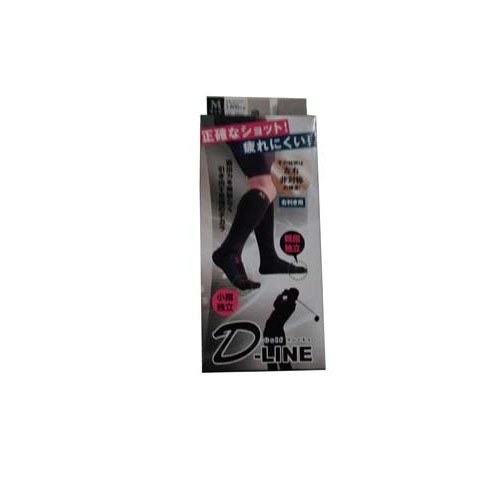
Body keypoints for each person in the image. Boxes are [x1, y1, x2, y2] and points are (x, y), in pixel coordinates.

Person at [212, 116, 306, 290]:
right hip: (243, 119)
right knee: (264, 184)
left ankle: (268, 257)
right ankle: (229, 251)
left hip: (256, 120)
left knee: (268, 183)